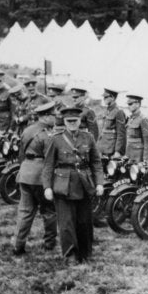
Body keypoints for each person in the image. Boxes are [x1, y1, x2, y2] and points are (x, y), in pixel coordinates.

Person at [41, 106, 104, 263]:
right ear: (64, 121)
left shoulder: (88, 138)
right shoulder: (55, 139)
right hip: (63, 185)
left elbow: (96, 162)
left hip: (84, 184)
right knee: (66, 223)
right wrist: (47, 187)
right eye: (69, 121)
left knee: (84, 222)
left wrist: (99, 183)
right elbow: (48, 165)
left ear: (79, 120)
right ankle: (70, 255)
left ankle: (85, 253)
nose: (72, 124)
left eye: (75, 121)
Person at [13, 101, 58, 255]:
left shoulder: (28, 130)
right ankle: (50, 244)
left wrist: (24, 169)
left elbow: (21, 153)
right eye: (53, 115)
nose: (56, 117)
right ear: (45, 117)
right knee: (49, 211)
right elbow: (51, 160)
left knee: (25, 211)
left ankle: (18, 245)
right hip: (40, 177)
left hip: (25, 173)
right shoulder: (48, 135)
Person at [97, 88, 127, 157]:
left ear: (112, 98)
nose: (104, 99)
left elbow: (121, 134)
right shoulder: (106, 111)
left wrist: (118, 151)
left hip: (111, 150)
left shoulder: (118, 112)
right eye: (104, 97)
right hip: (102, 148)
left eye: (106, 97)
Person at [124, 94, 148, 162]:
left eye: (130, 104)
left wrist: (145, 158)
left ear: (138, 104)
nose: (128, 106)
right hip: (129, 154)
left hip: (138, 155)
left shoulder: (143, 119)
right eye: (128, 104)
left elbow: (147, 141)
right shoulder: (130, 118)